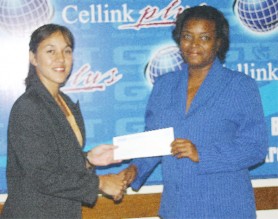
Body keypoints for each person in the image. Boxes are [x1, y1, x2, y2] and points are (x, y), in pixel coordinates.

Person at [121, 5, 268, 219]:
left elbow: (255, 148)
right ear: (179, 39)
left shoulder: (240, 86)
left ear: (218, 43)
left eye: (205, 38)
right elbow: (153, 142)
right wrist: (134, 170)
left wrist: (202, 154)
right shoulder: (164, 85)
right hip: (177, 209)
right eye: (187, 36)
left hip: (226, 209)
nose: (194, 45)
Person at [1, 24, 126, 219]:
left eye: (66, 51)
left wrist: (88, 160)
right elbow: (43, 176)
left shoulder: (64, 102)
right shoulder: (28, 107)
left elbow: (57, 161)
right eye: (50, 51)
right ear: (33, 57)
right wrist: (100, 183)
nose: (61, 59)